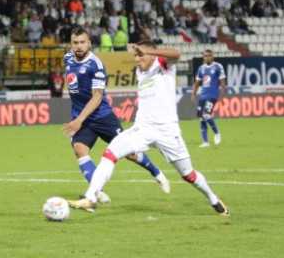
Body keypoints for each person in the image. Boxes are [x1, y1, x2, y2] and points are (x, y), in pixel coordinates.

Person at [69, 41, 228, 216]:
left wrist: (149, 50)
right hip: (143, 129)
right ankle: (90, 198)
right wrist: (142, 51)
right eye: (136, 56)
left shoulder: (164, 66)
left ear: (152, 55)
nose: (137, 60)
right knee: (110, 153)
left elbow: (176, 53)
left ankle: (213, 198)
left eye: (140, 56)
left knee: (188, 175)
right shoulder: (140, 71)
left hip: (167, 131)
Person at [62, 28, 169, 203]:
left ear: (89, 43)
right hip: (82, 118)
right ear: (71, 44)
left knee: (130, 153)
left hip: (102, 117)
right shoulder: (67, 59)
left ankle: (156, 172)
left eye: (82, 42)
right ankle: (96, 192)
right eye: (75, 42)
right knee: (80, 149)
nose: (79, 46)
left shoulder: (96, 65)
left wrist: (78, 120)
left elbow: (97, 97)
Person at [192, 50, 226, 147]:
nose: (207, 57)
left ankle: (217, 133)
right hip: (202, 96)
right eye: (205, 56)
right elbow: (197, 82)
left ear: (212, 56)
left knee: (206, 115)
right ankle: (205, 142)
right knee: (202, 119)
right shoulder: (201, 68)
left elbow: (223, 83)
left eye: (209, 56)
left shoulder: (218, 67)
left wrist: (222, 97)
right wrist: (193, 93)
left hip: (212, 95)